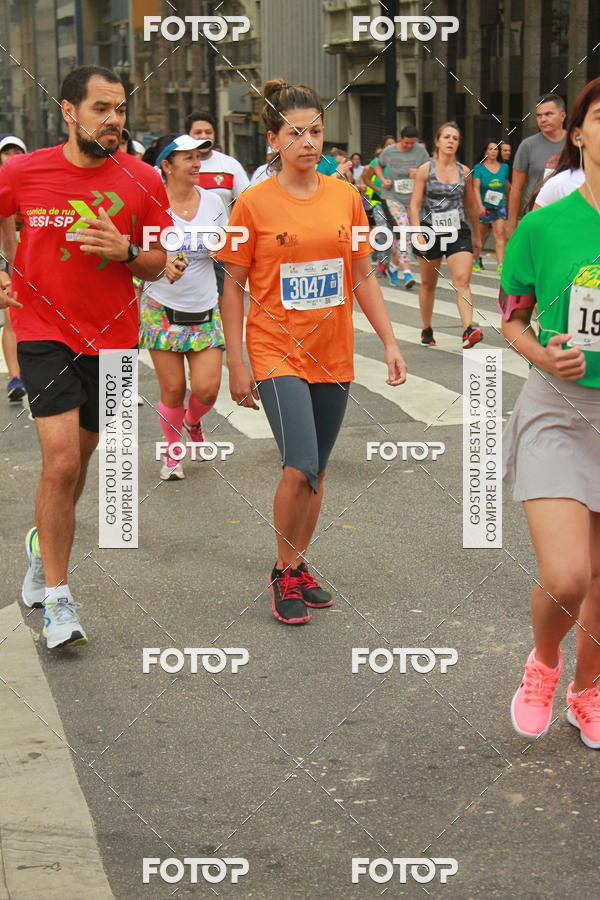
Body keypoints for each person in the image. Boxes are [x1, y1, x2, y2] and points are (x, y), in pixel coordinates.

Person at [218, 78, 407, 626]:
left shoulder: (346, 197)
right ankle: (282, 571)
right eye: (295, 133)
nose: (308, 142)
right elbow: (232, 286)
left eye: (316, 131)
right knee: (298, 466)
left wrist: (390, 342)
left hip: (332, 349)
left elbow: (362, 273)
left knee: (318, 471)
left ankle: (299, 564)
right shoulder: (252, 203)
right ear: (273, 140)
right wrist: (236, 361)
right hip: (275, 347)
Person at [0, 65, 170, 649]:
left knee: (80, 462)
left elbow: (157, 264)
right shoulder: (23, 171)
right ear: (69, 111)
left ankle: (41, 546)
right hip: (42, 330)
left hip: (115, 338)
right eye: (101, 108)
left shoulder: (143, 179)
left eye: (119, 108)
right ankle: (58, 598)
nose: (114, 119)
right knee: (62, 461)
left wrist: (126, 251)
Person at [500, 76, 600, 749]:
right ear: (579, 132)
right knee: (568, 577)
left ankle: (588, 691)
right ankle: (543, 662)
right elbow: (513, 318)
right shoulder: (543, 226)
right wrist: (544, 354)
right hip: (559, 408)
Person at [139, 133, 226, 481]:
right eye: (188, 158)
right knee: (173, 388)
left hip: (204, 306)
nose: (196, 164)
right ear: (167, 165)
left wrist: (222, 249)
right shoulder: (151, 204)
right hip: (161, 306)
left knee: (207, 389)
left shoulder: (214, 202)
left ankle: (192, 421)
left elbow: (226, 243)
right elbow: (136, 254)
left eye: (198, 157)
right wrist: (162, 264)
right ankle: (173, 452)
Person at [408, 121, 482, 348]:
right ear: (437, 142)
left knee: (462, 280)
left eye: (455, 138)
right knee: (428, 284)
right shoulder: (426, 170)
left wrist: (477, 235)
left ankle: (468, 329)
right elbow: (414, 205)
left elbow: (471, 205)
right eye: (447, 137)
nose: (451, 141)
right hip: (430, 230)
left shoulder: (464, 171)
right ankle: (427, 328)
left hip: (457, 230)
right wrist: (417, 232)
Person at [186, 112, 250, 301]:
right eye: (198, 132)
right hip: (183, 246)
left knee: (225, 298)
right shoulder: (177, 166)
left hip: (221, 249)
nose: (203, 136)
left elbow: (247, 203)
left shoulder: (230, 165)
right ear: (187, 135)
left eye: (208, 132)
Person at [373, 125, 429, 288]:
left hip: (412, 200)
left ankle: (392, 267)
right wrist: (383, 180)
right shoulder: (389, 151)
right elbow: (377, 165)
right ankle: (407, 272)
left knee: (404, 235)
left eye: (412, 143)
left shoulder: (421, 151)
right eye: (406, 143)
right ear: (401, 139)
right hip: (392, 198)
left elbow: (430, 170)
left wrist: (419, 173)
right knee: (404, 231)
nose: (410, 146)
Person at [507, 93, 567, 236]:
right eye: (539, 115)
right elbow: (516, 188)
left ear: (563, 116)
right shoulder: (527, 146)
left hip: (568, 218)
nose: (543, 119)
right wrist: (511, 224)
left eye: (548, 114)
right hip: (536, 217)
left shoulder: (577, 143)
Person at [0, 136, 27, 402]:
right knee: (11, 317)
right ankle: (14, 377)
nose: (12, 155)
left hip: (35, 258)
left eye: (17, 151)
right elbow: (7, 234)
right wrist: (8, 267)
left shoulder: (33, 184)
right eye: (6, 152)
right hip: (9, 259)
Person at [472, 140, 510, 274]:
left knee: (499, 234)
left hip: (499, 205)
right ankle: (476, 259)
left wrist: (508, 201)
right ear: (485, 152)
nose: (493, 152)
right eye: (491, 149)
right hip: (484, 206)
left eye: (496, 149)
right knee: (482, 236)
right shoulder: (478, 168)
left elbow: (506, 186)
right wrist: (479, 205)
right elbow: (475, 188)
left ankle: (500, 265)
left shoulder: (504, 167)